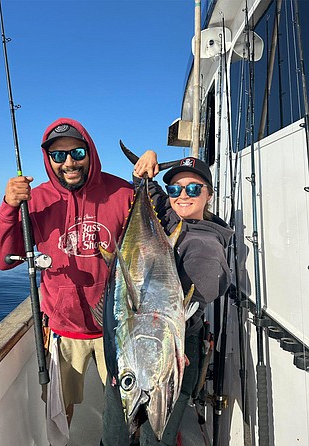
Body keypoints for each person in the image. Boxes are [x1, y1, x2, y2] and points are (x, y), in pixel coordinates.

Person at [0, 118, 135, 443]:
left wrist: (149, 183)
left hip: (117, 329)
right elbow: (1, 259)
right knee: (60, 412)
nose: (68, 162)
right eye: (58, 156)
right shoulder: (38, 199)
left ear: (90, 152)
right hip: (62, 330)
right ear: (49, 160)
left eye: (77, 152)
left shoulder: (123, 193)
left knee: (127, 408)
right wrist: (9, 207)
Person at [100, 152, 233, 445]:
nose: (182, 195)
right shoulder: (171, 219)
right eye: (175, 189)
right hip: (139, 351)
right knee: (115, 430)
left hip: (176, 347)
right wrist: (143, 172)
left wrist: (176, 342)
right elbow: (150, 195)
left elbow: (200, 293)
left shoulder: (206, 246)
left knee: (155, 438)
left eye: (194, 188)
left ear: (209, 194)